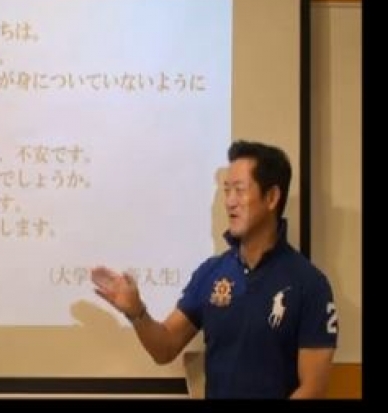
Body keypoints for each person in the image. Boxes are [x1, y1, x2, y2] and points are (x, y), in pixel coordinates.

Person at [91, 140, 338, 399]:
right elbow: (165, 348)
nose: (230, 202)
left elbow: (314, 388)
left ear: (272, 197)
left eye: (239, 190)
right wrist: (136, 313)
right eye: (226, 190)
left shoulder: (310, 284)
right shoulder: (212, 272)